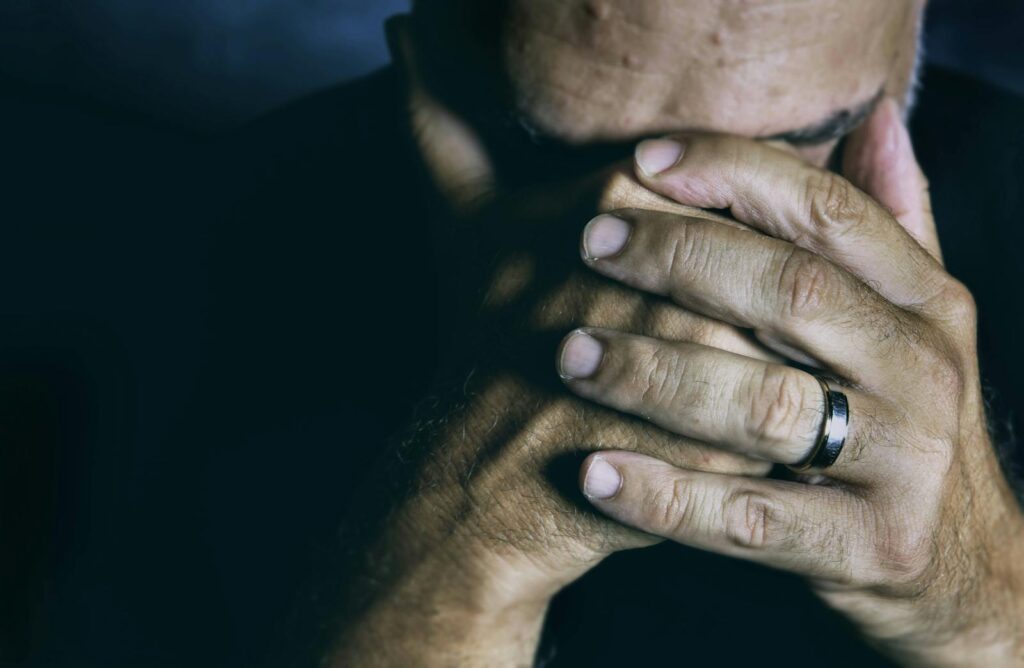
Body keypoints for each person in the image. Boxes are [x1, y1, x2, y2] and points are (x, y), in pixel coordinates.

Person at [3, 0, 1022, 666]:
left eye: (797, 146)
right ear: (422, 52)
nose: (678, 262)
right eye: (562, 156)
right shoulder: (127, 311)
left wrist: (981, 603)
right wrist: (450, 572)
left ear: (910, 39)